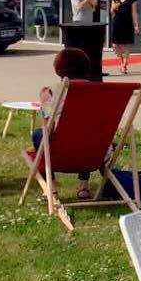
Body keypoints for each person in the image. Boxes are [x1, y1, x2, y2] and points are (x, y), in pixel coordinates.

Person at [35, 48, 94, 199]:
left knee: (39, 135)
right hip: (93, 152)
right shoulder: (100, 91)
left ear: (59, 69)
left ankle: (51, 188)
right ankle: (83, 186)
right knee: (86, 134)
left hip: (64, 151)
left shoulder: (53, 91)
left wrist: (44, 101)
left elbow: (48, 128)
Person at [109, 0, 140, 75]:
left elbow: (134, 13)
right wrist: (113, 8)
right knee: (115, 44)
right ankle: (122, 60)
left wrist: (136, 26)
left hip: (128, 23)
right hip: (117, 22)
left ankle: (124, 65)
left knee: (127, 45)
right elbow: (112, 13)